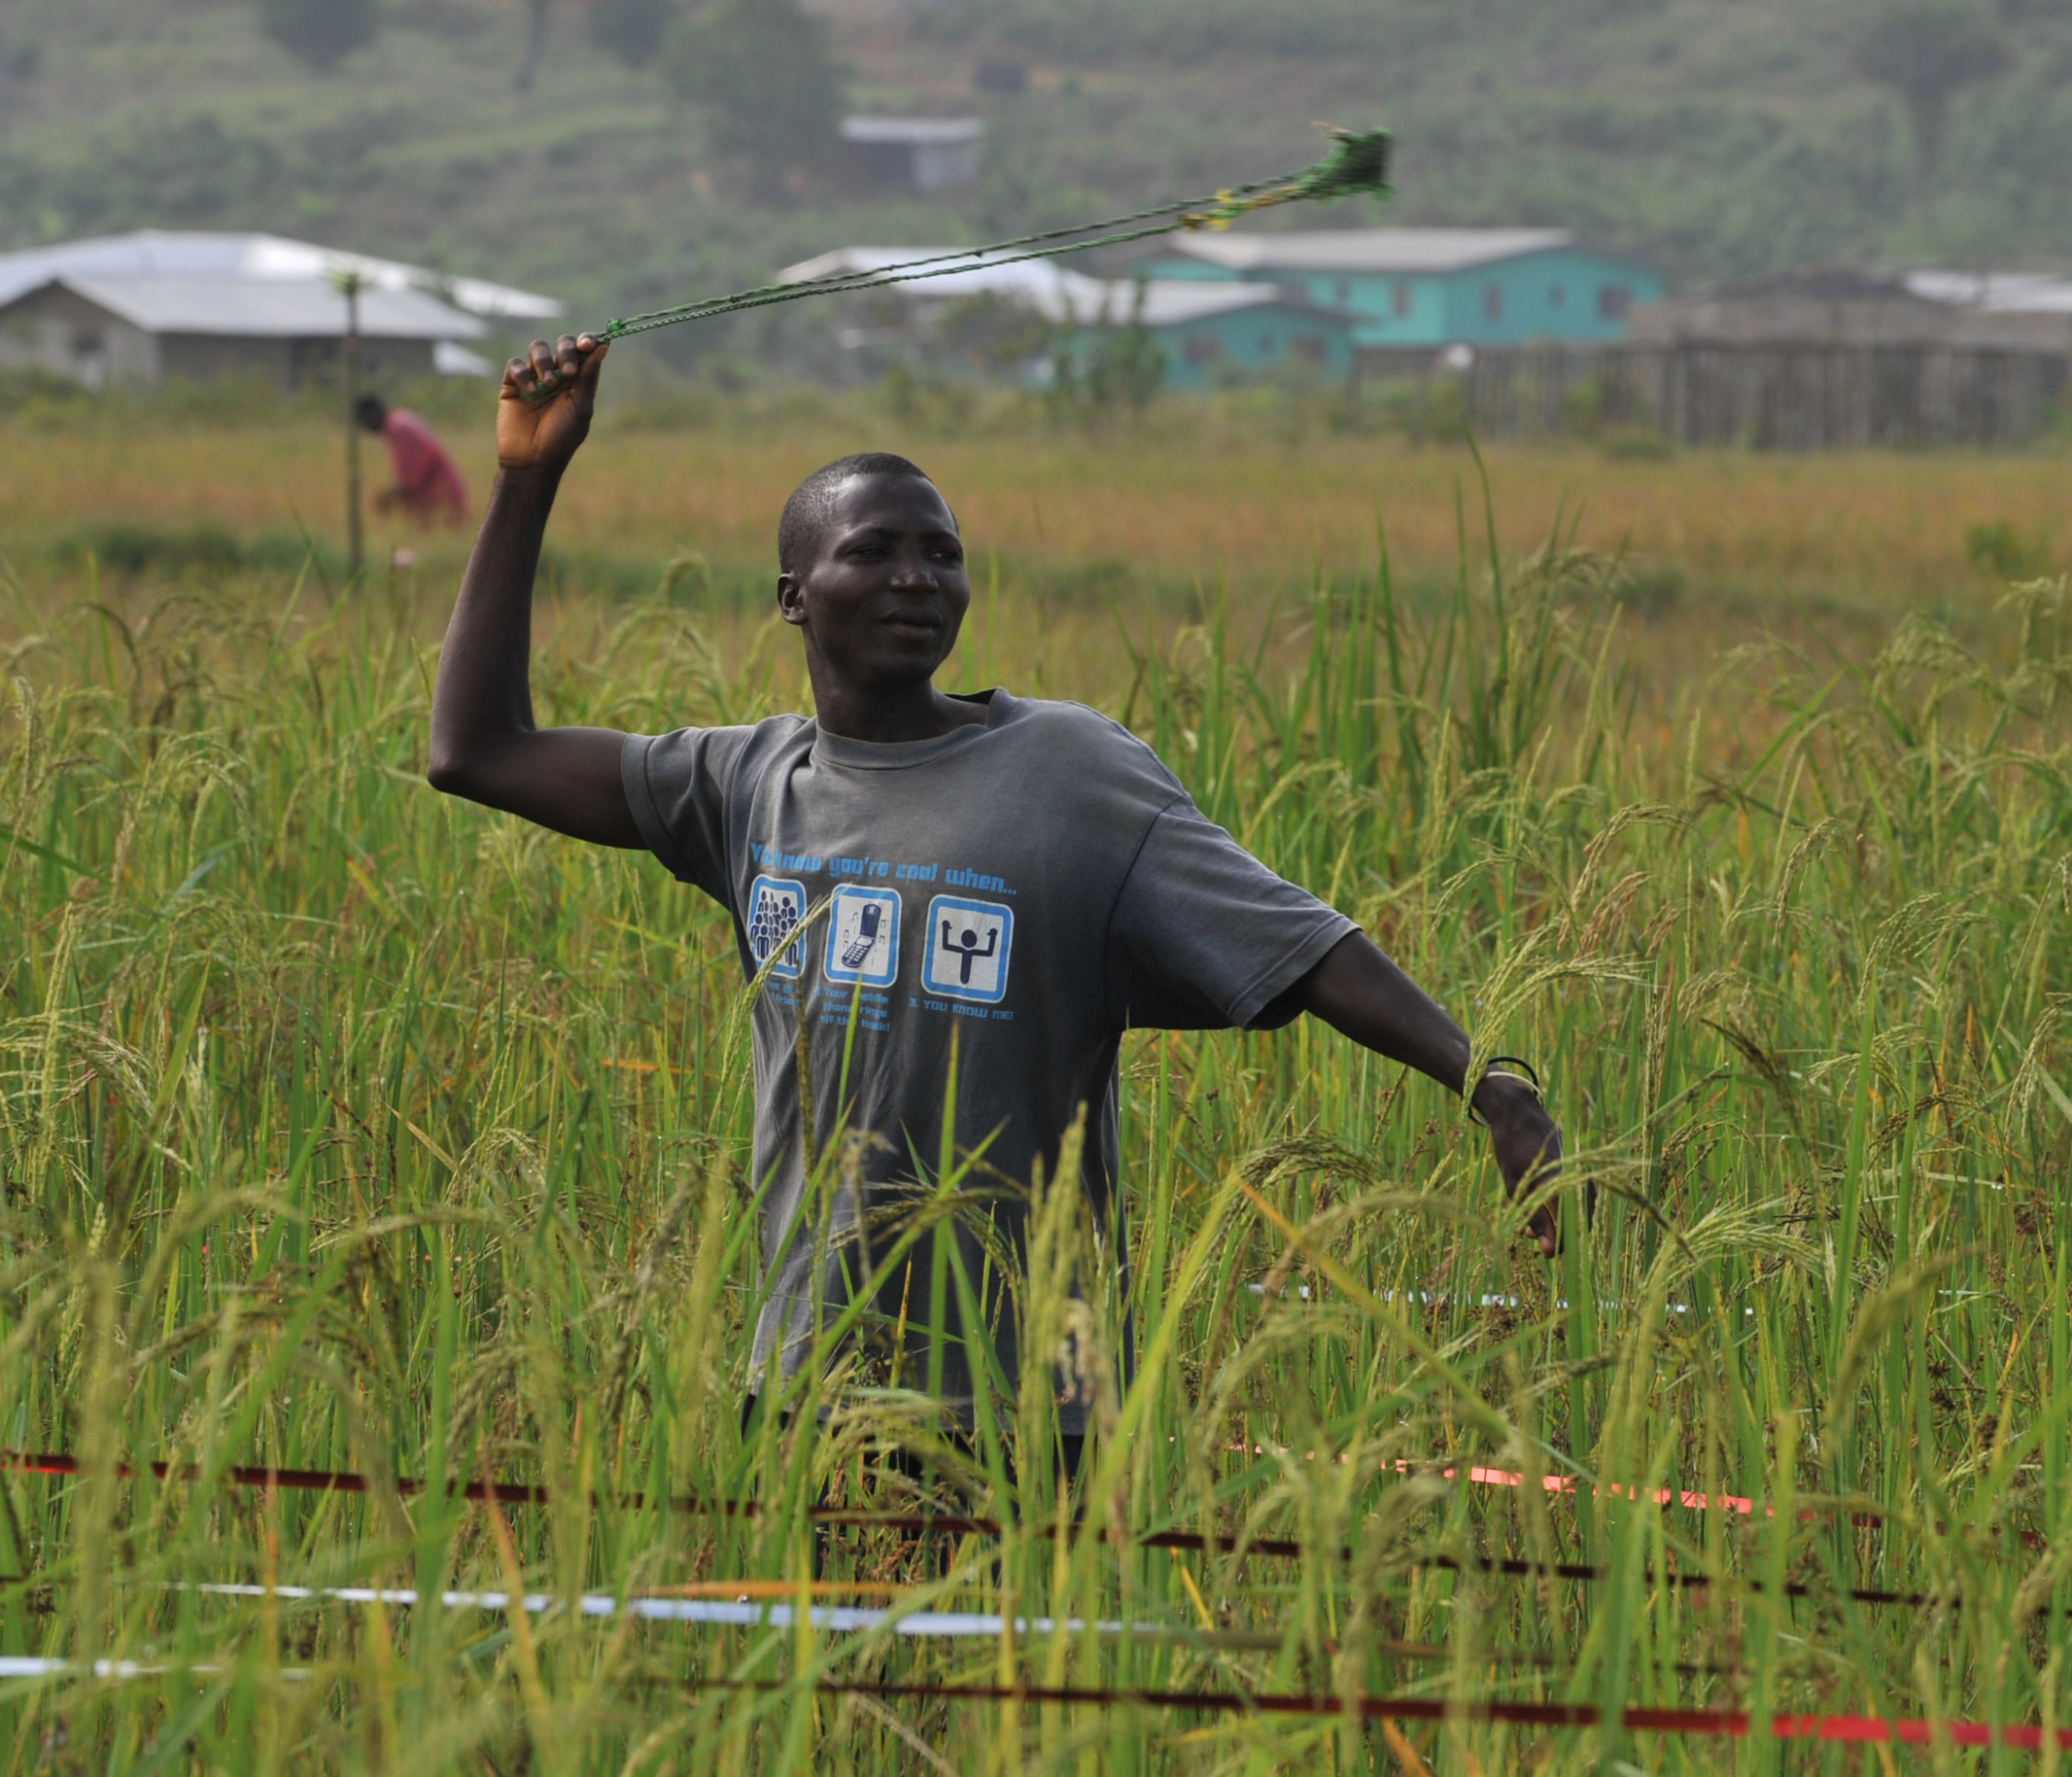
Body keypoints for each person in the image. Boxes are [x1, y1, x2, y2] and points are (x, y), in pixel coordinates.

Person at [425, 333, 1565, 1470]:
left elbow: (1301, 941)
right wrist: (531, 475)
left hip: (1033, 1401)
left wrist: (1490, 1085)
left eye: (942, 553)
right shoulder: (740, 786)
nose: (916, 577)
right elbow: (475, 750)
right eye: (872, 551)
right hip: (810, 1379)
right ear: (793, 595)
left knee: (1024, 1658)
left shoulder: (1071, 768)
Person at [355, 392, 469, 526]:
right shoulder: (399, 421)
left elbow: (409, 482)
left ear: (370, 415)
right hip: (438, 506)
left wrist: (385, 501)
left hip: (442, 507)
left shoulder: (399, 429)